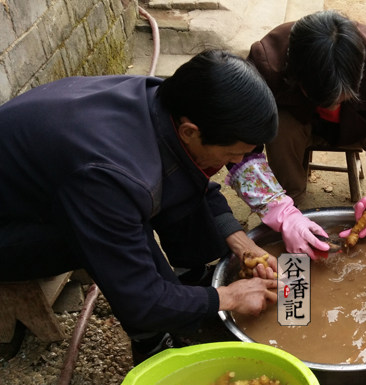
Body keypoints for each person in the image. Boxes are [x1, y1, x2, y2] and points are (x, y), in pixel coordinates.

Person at [0, 50, 281, 363]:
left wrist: (245, 246)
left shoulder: (165, 100)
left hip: (54, 179)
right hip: (9, 232)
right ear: (190, 131)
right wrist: (227, 297)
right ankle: (153, 342)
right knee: (126, 233)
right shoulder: (112, 179)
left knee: (169, 183)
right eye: (232, 154)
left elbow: (194, 182)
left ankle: (191, 280)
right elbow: (140, 298)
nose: (238, 162)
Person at [225, 10, 366, 259]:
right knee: (280, 126)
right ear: (297, 78)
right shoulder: (266, 62)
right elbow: (238, 144)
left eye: (341, 98)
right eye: (323, 100)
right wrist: (278, 211)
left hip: (357, 125)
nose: (331, 108)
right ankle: (290, 202)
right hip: (299, 124)